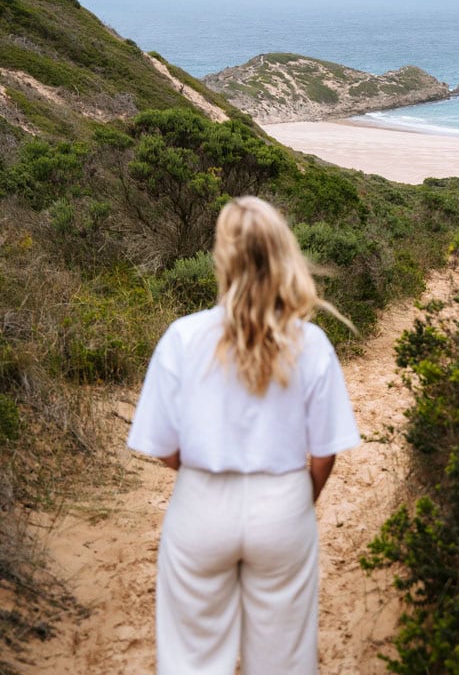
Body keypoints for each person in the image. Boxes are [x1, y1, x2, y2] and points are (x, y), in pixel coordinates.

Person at [127, 196, 360, 675]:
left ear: (222, 257)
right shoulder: (311, 344)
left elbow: (164, 447)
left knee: (190, 657)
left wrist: (201, 474)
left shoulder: (182, 337)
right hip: (284, 506)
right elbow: (326, 452)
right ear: (283, 255)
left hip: (201, 504)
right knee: (285, 661)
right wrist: (298, 497)